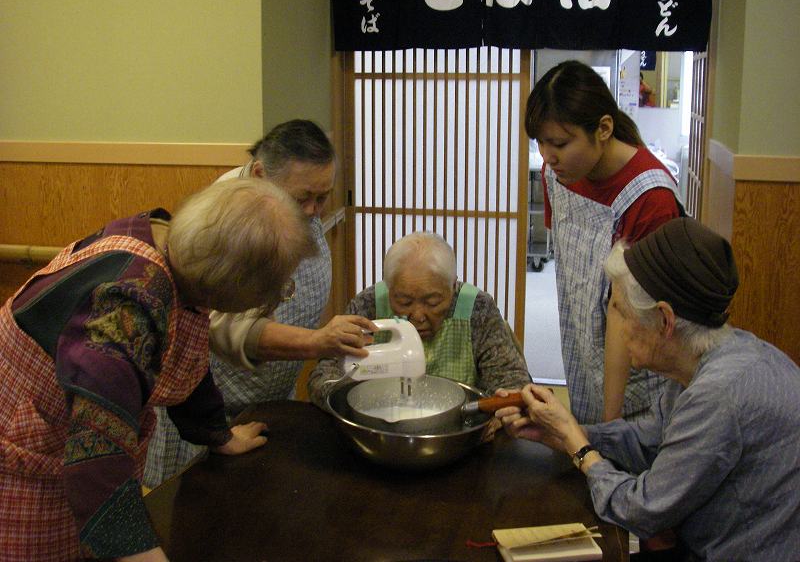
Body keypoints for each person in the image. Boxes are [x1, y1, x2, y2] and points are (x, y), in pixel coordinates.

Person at [0, 178, 317, 561]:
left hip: (69, 448)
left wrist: (217, 434)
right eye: (279, 290)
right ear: (231, 286)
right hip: (27, 453)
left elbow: (184, 353)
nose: (276, 300)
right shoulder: (125, 307)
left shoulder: (174, 249)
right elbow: (97, 459)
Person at [497, 218, 800, 561]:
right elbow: (651, 440)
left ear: (665, 320)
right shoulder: (717, 355)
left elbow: (641, 510)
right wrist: (565, 432)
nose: (617, 328)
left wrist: (580, 449)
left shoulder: (719, 394)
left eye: (621, 312)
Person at [143, 120, 376, 488]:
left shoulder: (297, 205)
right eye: (302, 198)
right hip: (203, 411)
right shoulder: (226, 220)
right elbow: (224, 328)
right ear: (259, 175)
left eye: (322, 198)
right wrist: (316, 342)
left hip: (269, 399)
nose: (313, 210)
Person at [526, 60, 682, 424]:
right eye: (541, 142)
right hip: (584, 343)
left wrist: (610, 424)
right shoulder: (556, 175)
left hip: (639, 355)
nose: (547, 156)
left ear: (604, 129)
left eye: (560, 143)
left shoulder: (651, 198)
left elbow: (624, 310)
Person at [308, 232, 531, 429]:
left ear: (453, 286)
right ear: (389, 288)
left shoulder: (476, 308)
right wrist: (350, 399)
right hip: (381, 427)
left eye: (433, 302)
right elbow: (323, 377)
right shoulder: (369, 305)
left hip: (458, 429)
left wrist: (501, 413)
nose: (417, 316)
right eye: (404, 302)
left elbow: (511, 380)